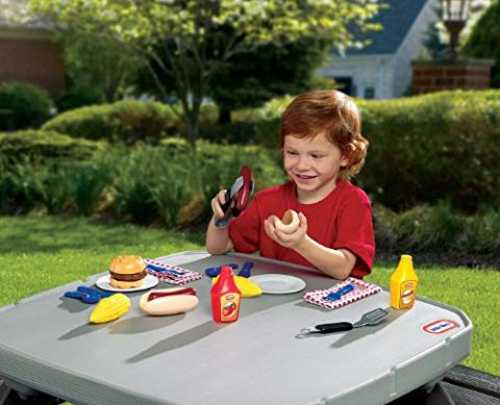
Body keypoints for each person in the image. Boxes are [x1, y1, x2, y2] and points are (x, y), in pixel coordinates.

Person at [206, 90, 375, 279]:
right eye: (292, 153)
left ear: (345, 156)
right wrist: (222, 217)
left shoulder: (353, 202)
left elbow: (342, 268)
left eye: (316, 156)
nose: (302, 165)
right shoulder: (266, 201)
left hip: (333, 297)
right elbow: (218, 248)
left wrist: (300, 243)